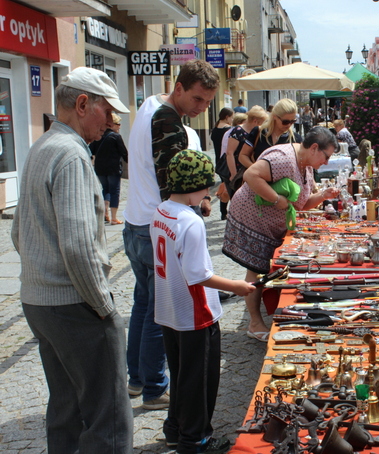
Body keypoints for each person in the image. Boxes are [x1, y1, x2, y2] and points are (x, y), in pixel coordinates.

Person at [11, 67, 133, 453]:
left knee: (65, 407)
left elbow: (18, 233)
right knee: (107, 416)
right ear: (83, 105)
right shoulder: (72, 155)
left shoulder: (42, 146)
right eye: (107, 111)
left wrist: (41, 272)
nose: (112, 122)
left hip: (40, 300)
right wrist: (103, 307)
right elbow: (79, 248)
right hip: (73, 303)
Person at [123, 59, 220, 411]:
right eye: (198, 99)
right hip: (155, 227)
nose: (202, 108)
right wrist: (202, 202)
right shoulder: (170, 125)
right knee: (158, 311)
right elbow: (175, 184)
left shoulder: (149, 104)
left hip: (136, 221)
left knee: (142, 302)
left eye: (208, 102)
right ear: (178, 88)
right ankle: (153, 387)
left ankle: (136, 378)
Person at [151, 149, 255, 453]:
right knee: (200, 380)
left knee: (181, 372)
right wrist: (236, 286)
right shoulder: (191, 222)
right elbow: (198, 275)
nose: (210, 191)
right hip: (196, 313)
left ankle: (175, 428)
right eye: (206, 186)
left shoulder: (161, 211)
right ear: (193, 187)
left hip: (169, 308)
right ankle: (195, 439)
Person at [222, 126, 341, 341]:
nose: (326, 163)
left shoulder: (305, 163)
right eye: (326, 156)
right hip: (252, 218)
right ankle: (255, 322)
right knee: (256, 267)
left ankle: (266, 313)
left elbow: (302, 204)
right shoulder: (283, 158)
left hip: (270, 222)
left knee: (263, 267)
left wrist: (323, 195)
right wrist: (277, 200)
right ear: (314, 148)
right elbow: (251, 174)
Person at [239, 98, 303, 168]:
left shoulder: (296, 139)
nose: (289, 125)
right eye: (285, 122)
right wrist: (256, 170)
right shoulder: (259, 132)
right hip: (257, 177)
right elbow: (243, 156)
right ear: (274, 116)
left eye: (293, 121)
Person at [223, 106, 267, 199]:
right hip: (239, 170)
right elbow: (229, 153)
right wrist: (233, 174)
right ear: (255, 121)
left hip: (249, 169)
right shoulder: (238, 131)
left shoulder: (257, 132)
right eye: (262, 123)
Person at [91, 111, 128, 224]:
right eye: (118, 124)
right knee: (114, 191)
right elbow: (124, 153)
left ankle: (105, 213)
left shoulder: (99, 135)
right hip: (113, 168)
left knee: (105, 190)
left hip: (100, 168)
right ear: (111, 124)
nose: (120, 126)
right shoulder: (116, 137)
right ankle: (114, 218)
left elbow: (92, 150)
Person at [211, 107, 235, 219]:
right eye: (231, 117)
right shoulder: (228, 130)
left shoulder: (215, 129)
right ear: (227, 117)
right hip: (227, 161)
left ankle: (223, 212)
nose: (232, 119)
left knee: (223, 185)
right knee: (230, 187)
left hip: (218, 161)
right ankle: (232, 211)